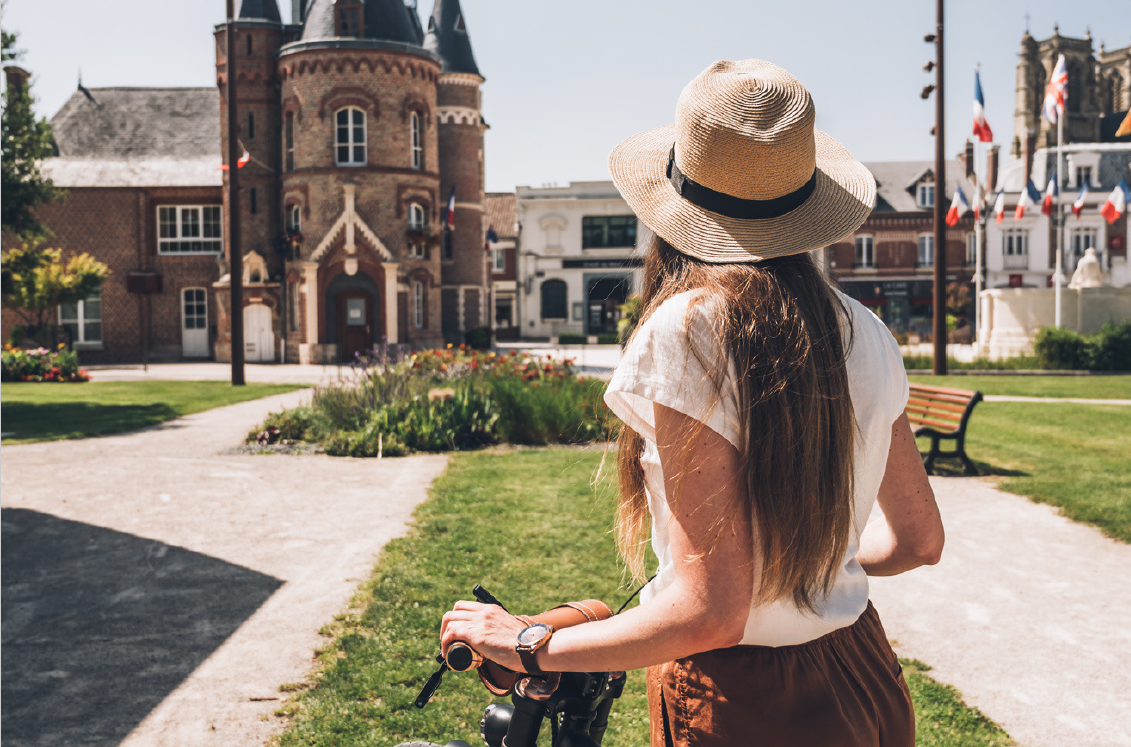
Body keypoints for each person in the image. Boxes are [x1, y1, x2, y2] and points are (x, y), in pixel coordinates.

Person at [440, 59, 944, 747]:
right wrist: (815, 570)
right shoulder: (865, 328)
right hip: (860, 669)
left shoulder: (688, 330)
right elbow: (919, 540)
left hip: (744, 701)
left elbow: (709, 613)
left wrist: (528, 643)